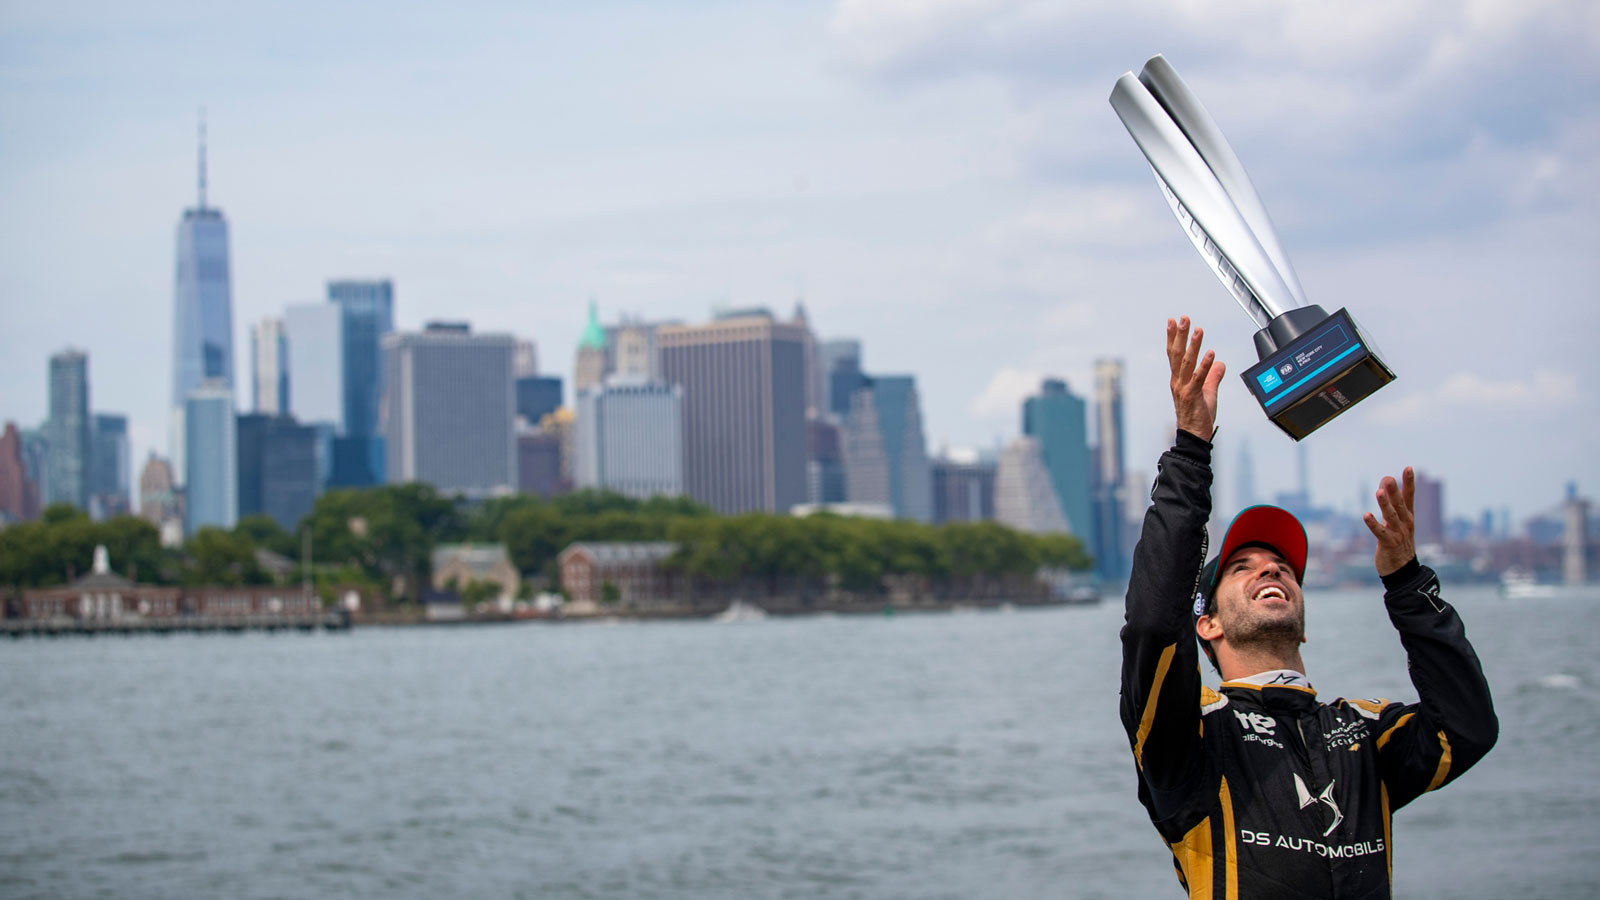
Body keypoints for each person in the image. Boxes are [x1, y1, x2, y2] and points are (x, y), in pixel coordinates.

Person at [1119, 316, 1498, 898]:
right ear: (1208, 623)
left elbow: (1468, 729)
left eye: (1283, 567)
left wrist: (1406, 584)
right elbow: (1152, 623)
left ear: (1303, 617)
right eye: (1242, 567)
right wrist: (1192, 451)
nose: (1271, 569)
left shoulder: (1364, 733)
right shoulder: (1191, 735)